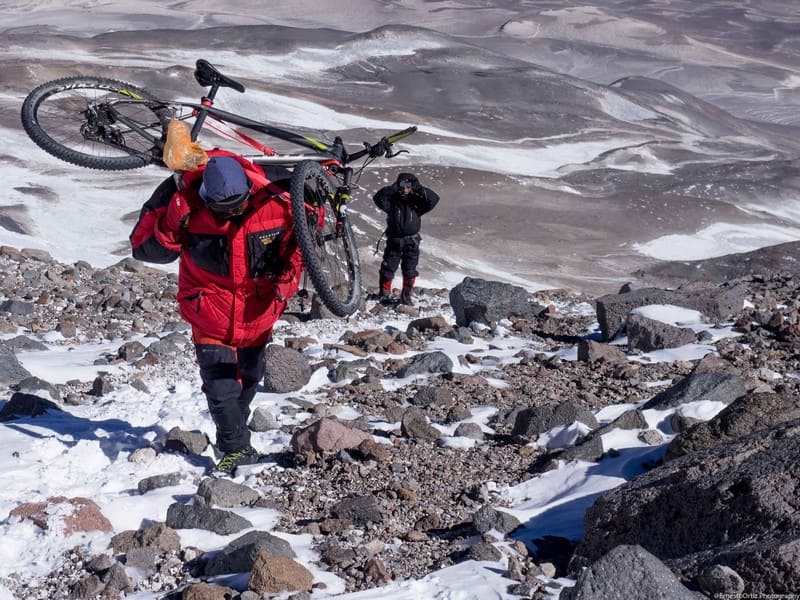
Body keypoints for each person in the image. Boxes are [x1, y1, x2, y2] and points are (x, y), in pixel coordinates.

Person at [130, 150, 303, 475]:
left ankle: (231, 435)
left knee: (248, 382)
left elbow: (306, 239)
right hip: (209, 315)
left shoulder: (275, 197)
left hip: (259, 314)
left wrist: (289, 280)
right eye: (224, 209)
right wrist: (171, 222)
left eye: (239, 205)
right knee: (221, 388)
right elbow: (145, 250)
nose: (233, 214)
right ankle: (237, 449)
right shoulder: (183, 202)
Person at [373, 172, 440, 305]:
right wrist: (394, 187)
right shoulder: (392, 202)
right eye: (402, 186)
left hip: (412, 241)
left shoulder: (417, 203)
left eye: (408, 186)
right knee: (388, 268)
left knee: (410, 270)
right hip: (394, 241)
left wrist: (418, 187)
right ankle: (384, 295)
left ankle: (406, 297)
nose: (405, 189)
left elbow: (434, 199)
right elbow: (378, 198)